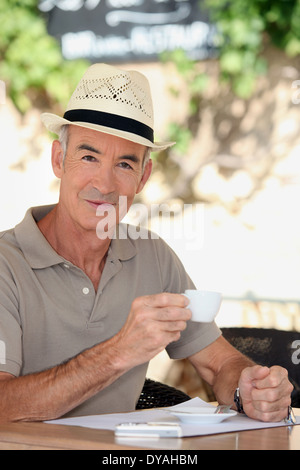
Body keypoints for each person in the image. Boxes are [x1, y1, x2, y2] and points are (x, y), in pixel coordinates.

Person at [0, 64, 293, 423]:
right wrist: (118, 352)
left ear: (144, 176)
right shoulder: (5, 264)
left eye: (124, 164)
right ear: (59, 160)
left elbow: (220, 366)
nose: (105, 184)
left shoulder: (152, 255)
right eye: (89, 156)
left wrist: (248, 387)